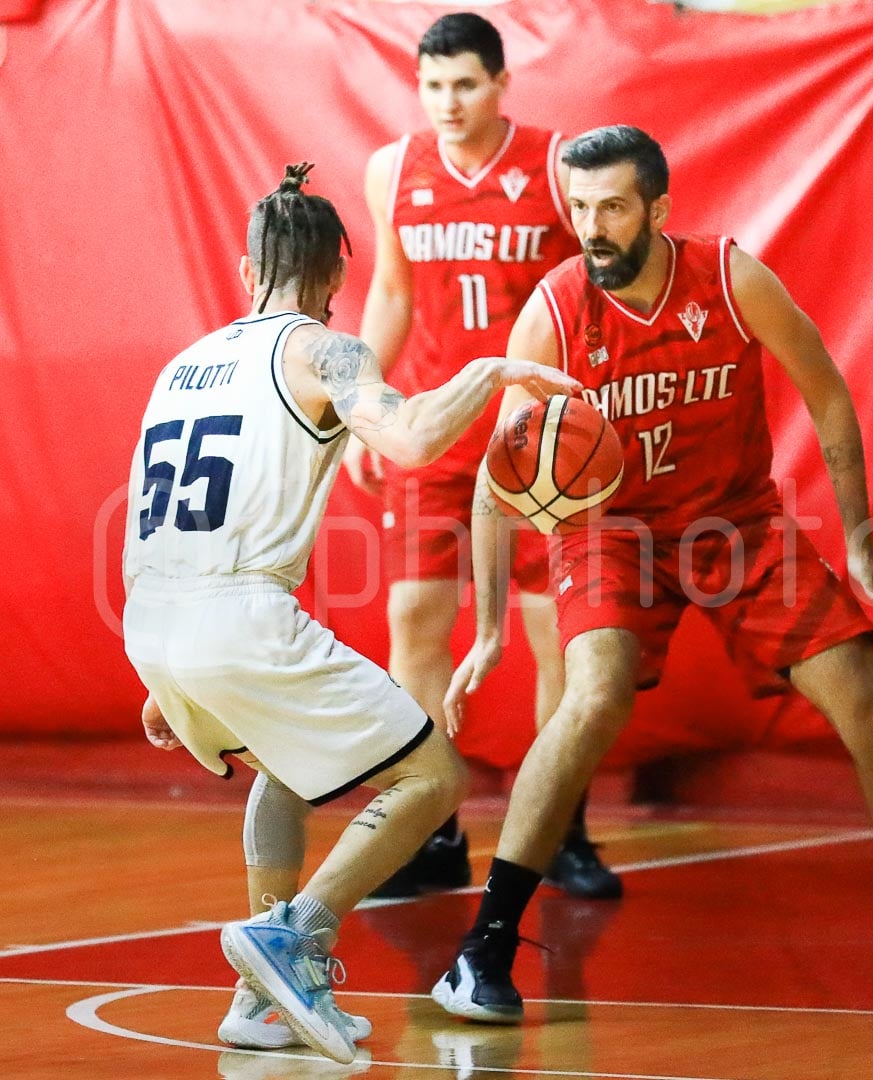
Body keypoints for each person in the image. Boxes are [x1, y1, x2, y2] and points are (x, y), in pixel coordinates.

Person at [431, 126, 873, 1023]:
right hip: (612, 530)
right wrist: (487, 631)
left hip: (734, 524)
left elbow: (827, 388)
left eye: (611, 207)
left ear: (659, 210)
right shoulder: (555, 312)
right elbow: (496, 477)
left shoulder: (728, 277)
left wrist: (864, 544)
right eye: (579, 206)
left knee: (871, 702)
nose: (590, 226)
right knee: (593, 697)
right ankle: (481, 951)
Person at [122, 162, 580, 1063]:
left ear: (246, 269)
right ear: (338, 274)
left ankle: (258, 1000)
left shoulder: (182, 365)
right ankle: (297, 935)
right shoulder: (323, 351)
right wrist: (488, 370)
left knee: (285, 766)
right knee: (432, 781)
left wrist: (163, 671)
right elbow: (409, 441)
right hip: (238, 615)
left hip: (154, 617)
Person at [341, 12, 621, 901]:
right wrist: (362, 405)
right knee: (416, 623)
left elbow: (596, 288)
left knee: (550, 632)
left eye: (465, 84)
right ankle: (430, 829)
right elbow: (391, 292)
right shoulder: (394, 168)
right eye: (432, 86)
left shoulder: (553, 162)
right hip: (433, 421)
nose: (448, 102)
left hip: (533, 435)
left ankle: (559, 826)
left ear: (501, 83)